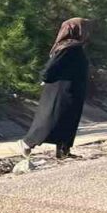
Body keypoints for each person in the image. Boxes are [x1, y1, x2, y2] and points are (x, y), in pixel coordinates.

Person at [20, 18, 91, 160]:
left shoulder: (75, 47)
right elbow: (51, 67)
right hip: (61, 90)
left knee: (68, 120)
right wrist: (45, 78)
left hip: (72, 89)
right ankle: (28, 142)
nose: (87, 32)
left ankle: (63, 151)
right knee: (50, 120)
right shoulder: (68, 47)